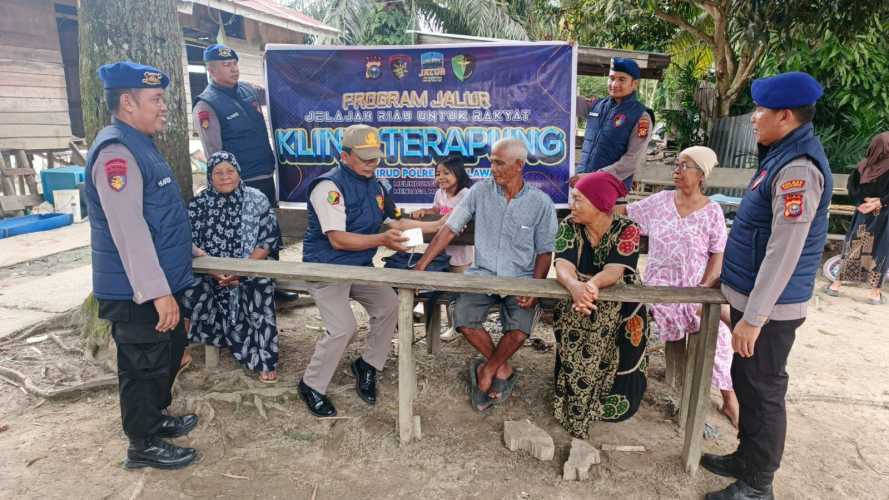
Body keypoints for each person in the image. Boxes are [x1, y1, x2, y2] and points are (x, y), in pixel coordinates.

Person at [702, 72, 832, 500]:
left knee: (764, 389)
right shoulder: (778, 154)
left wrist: (754, 318)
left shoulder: (798, 168)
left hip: (771, 311)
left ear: (786, 115)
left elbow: (784, 250)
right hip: (754, 300)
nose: (754, 118)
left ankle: (759, 484)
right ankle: (747, 458)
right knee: (747, 381)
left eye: (760, 111)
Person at [83, 61, 199, 470]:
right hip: (136, 291)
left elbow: (158, 216)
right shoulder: (116, 152)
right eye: (156, 99)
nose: (164, 107)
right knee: (142, 366)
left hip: (158, 281)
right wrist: (159, 292)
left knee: (166, 355)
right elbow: (128, 228)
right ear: (127, 102)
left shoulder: (140, 142)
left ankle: (154, 420)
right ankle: (142, 444)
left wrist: (188, 250)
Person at [415, 138, 558, 411]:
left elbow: (544, 252)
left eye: (498, 163)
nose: (492, 168)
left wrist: (535, 288)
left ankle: (488, 369)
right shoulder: (479, 192)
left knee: (519, 331)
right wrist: (423, 263)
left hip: (521, 278)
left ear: (519, 166)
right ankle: (501, 369)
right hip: (482, 275)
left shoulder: (541, 203)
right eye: (491, 161)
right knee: (464, 319)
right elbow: (450, 229)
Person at [298, 124, 423, 417]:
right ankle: (311, 384)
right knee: (344, 328)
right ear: (344, 155)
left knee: (390, 305)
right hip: (327, 268)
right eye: (365, 158)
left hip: (359, 267)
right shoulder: (329, 187)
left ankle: (367, 365)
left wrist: (443, 225)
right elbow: (337, 239)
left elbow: (397, 220)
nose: (372, 163)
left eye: (375, 157)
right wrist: (381, 239)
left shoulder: (377, 185)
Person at [619, 146, 738, 426]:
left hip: (695, 287)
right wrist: (591, 201)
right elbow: (624, 212)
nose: (677, 170)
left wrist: (706, 286)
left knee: (718, 333)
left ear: (701, 175)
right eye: (677, 164)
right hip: (658, 289)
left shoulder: (712, 212)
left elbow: (718, 252)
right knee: (639, 320)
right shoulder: (660, 201)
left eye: (685, 166)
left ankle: (730, 398)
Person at [192, 43, 296, 299]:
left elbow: (276, 89)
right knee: (248, 238)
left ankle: (273, 286)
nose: (234, 69)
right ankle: (252, 289)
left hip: (264, 177)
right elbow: (215, 154)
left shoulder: (248, 90)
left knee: (269, 231)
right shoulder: (206, 106)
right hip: (240, 185)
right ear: (211, 70)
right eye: (226, 65)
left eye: (235, 63)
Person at [552, 172, 650, 438]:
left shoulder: (628, 228)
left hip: (621, 298)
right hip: (578, 296)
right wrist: (575, 288)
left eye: (579, 200)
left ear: (599, 204)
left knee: (624, 348)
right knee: (574, 335)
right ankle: (574, 402)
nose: (573, 205)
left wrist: (590, 287)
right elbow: (563, 265)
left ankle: (610, 404)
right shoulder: (569, 225)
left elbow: (615, 270)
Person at [182, 151, 281, 382]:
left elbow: (267, 242)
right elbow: (190, 243)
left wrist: (241, 272)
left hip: (251, 266)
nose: (225, 177)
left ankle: (265, 358)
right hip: (211, 270)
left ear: (238, 173)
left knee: (260, 286)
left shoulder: (257, 199)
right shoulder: (199, 204)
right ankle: (185, 349)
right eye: (218, 172)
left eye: (230, 171)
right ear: (210, 176)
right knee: (188, 287)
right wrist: (216, 272)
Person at [410, 154, 474, 342]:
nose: (441, 177)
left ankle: (460, 325)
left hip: (460, 256)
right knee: (440, 289)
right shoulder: (440, 193)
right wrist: (426, 212)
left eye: (446, 173)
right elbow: (437, 209)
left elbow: (460, 215)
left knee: (459, 291)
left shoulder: (466, 194)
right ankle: (446, 325)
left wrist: (446, 220)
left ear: (459, 173)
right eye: (438, 173)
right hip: (440, 253)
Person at [825, 132, 889, 304]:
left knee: (857, 245)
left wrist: (861, 202)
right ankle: (874, 294)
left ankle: (836, 285)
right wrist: (880, 202)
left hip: (864, 214)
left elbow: (851, 187)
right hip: (885, 216)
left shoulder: (862, 166)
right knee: (881, 249)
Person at [573, 57, 654, 191]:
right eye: (611, 78)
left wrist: (594, 177)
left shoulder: (641, 117)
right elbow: (566, 101)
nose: (614, 84)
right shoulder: (597, 106)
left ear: (634, 84)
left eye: (622, 79)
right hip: (582, 184)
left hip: (609, 190)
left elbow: (632, 160)